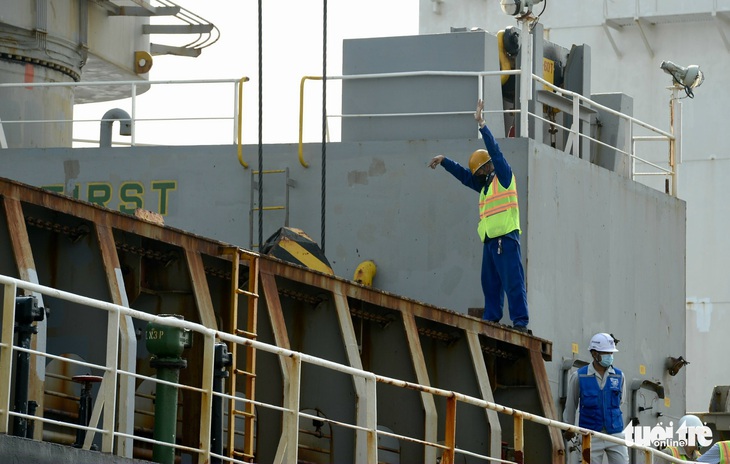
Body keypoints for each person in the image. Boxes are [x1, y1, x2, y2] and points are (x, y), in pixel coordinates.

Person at [428, 99, 529, 332]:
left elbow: (496, 151)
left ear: (487, 166)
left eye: (480, 170)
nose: (477, 174)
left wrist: (482, 125)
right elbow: (465, 176)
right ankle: (492, 317)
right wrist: (445, 162)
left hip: (507, 239)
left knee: (513, 282)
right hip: (491, 241)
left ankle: (520, 322)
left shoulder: (503, 177)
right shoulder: (484, 185)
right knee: (490, 283)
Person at [563, 333, 629, 463]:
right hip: (590, 434)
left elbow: (621, 401)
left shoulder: (619, 376)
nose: (609, 357)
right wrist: (568, 428)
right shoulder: (579, 376)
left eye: (611, 353)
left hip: (615, 433)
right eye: (606, 353)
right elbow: (571, 404)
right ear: (594, 353)